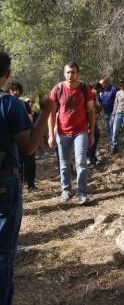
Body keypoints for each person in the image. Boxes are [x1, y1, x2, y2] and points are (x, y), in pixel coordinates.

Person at [0, 51, 52, 305]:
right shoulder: (9, 104)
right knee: (2, 255)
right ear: (7, 75)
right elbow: (29, 147)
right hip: (4, 185)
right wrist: (46, 111)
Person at [48, 61, 95, 205]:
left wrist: (91, 133)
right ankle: (66, 190)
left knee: (81, 162)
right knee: (64, 164)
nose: (70, 75)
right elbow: (51, 113)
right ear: (64, 73)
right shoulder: (58, 89)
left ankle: (82, 193)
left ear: (78, 73)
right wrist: (51, 134)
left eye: (73, 72)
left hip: (80, 131)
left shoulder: (84, 88)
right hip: (62, 132)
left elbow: (91, 111)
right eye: (68, 72)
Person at [5, 82, 37, 190]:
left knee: (30, 160)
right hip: (12, 139)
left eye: (17, 90)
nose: (15, 92)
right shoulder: (6, 103)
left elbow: (30, 120)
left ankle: (31, 184)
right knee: (17, 162)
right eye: (13, 90)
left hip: (26, 135)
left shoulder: (24, 104)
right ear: (9, 90)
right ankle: (20, 184)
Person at [98, 77, 118, 145]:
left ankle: (114, 142)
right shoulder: (101, 91)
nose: (101, 85)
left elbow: (120, 98)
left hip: (114, 111)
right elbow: (100, 101)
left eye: (102, 84)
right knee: (107, 127)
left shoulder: (113, 88)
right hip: (106, 111)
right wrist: (99, 110)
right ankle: (111, 140)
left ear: (106, 83)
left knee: (111, 125)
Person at [87, 83, 102, 166]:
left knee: (96, 135)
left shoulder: (94, 96)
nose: (98, 93)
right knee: (93, 136)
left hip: (91, 119)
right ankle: (90, 157)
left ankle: (91, 156)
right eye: (97, 91)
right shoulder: (88, 95)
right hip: (86, 121)